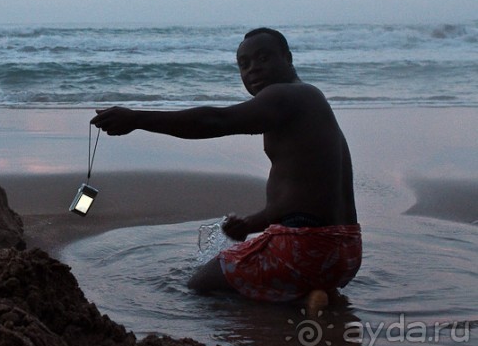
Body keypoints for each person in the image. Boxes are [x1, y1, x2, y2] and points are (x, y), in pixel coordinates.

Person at [90, 28, 361, 303]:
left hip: (305, 249)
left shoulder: (284, 96)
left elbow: (215, 121)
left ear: (288, 59)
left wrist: (137, 119)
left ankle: (281, 311)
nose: (253, 69)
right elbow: (313, 191)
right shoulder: (308, 99)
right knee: (245, 262)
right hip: (345, 253)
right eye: (244, 64)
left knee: (200, 284)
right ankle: (310, 293)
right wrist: (256, 222)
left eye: (263, 58)